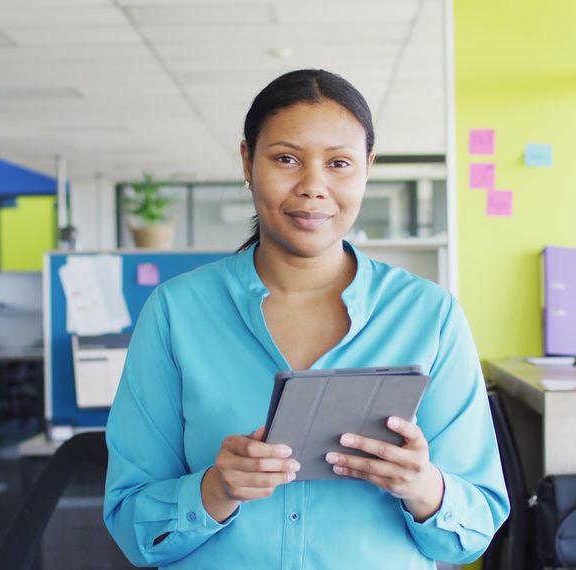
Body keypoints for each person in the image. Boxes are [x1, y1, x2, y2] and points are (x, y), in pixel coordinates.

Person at [104, 69, 508, 569]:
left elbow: (476, 530)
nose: (313, 187)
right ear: (248, 162)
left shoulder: (429, 315)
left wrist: (422, 485)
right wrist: (215, 489)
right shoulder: (176, 312)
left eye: (339, 163)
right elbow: (131, 525)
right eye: (286, 159)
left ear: (367, 169)